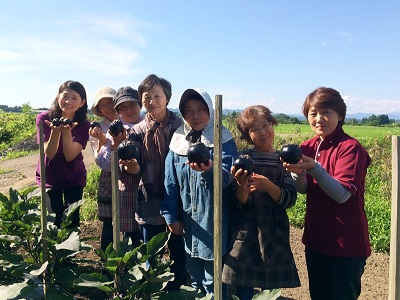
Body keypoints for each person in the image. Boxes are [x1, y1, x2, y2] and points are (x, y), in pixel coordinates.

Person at [284, 87, 371, 300]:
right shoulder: (307, 147)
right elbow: (304, 189)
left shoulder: (350, 148)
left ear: (340, 115)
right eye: (313, 113)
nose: (319, 118)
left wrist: (314, 168)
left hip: (346, 245)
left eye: (326, 112)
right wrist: (297, 174)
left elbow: (341, 195)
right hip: (316, 241)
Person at [161, 88, 238, 298]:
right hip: (189, 222)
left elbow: (227, 179)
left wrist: (210, 170)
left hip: (214, 221)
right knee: (193, 276)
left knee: (214, 280)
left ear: (211, 111)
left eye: (201, 109)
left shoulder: (223, 139)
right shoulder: (178, 141)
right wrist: (171, 216)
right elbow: (170, 183)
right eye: (189, 111)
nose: (195, 116)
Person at [221, 105, 300, 300]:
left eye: (265, 125)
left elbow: (289, 199)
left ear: (272, 124)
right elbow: (239, 203)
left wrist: (267, 185)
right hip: (245, 230)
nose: (262, 132)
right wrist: (241, 185)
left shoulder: (285, 161)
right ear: (247, 135)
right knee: (243, 284)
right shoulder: (242, 159)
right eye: (254, 129)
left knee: (270, 288)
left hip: (273, 230)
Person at [127, 74, 186, 291]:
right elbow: (136, 169)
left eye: (157, 95)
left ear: (167, 98)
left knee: (179, 249)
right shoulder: (137, 131)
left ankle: (178, 288)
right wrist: (131, 165)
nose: (152, 101)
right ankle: (152, 290)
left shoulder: (181, 126)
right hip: (149, 199)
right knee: (151, 252)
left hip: (178, 199)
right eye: (147, 96)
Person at [36, 80, 90, 228]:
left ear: (82, 102)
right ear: (58, 96)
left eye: (74, 98)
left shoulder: (83, 124)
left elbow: (70, 156)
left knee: (71, 222)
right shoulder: (43, 119)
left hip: (74, 177)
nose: (68, 101)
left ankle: (71, 251)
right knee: (54, 221)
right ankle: (55, 251)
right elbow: (50, 153)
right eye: (65, 96)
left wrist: (66, 133)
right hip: (49, 177)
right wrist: (55, 131)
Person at [97, 86, 143, 248]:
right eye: (122, 107)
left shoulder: (149, 125)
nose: (128, 110)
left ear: (140, 105)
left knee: (149, 232)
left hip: (149, 190)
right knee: (131, 236)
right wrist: (115, 144)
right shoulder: (115, 131)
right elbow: (103, 163)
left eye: (132, 105)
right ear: (118, 111)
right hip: (127, 191)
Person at [89, 86, 117, 251]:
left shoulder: (130, 120)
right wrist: (101, 141)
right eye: (103, 104)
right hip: (109, 175)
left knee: (133, 220)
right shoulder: (97, 129)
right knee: (109, 222)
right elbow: (98, 159)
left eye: (111, 102)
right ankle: (106, 262)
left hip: (132, 174)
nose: (108, 107)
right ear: (99, 109)